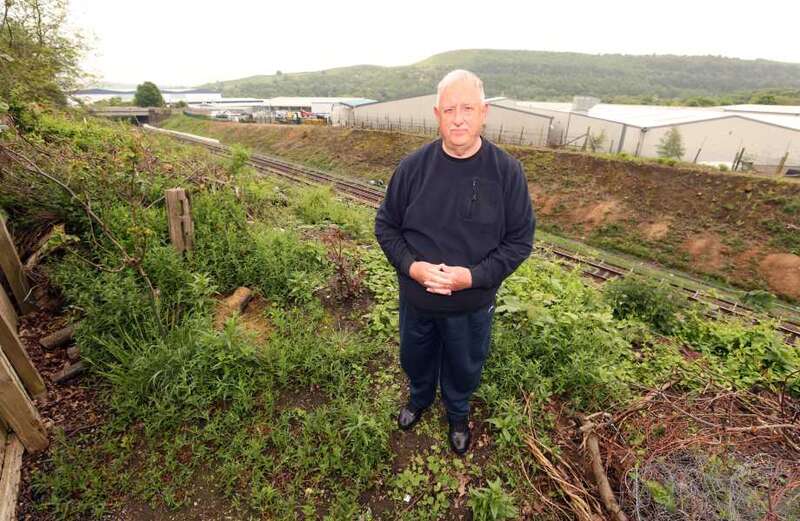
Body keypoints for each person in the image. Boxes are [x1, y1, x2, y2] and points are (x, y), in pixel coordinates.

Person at [374, 69, 536, 454]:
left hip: (471, 303)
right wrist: (413, 267)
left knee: (465, 363)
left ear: (484, 112)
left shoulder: (506, 172)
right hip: (418, 301)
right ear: (437, 115)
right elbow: (386, 226)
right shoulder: (413, 167)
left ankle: (458, 412)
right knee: (415, 355)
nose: (459, 118)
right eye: (450, 109)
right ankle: (419, 398)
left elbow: (519, 241)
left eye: (467, 108)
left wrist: (473, 277)